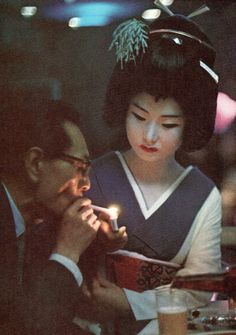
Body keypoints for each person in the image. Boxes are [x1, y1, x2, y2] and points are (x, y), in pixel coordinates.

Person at [83, 10, 222, 335]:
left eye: (168, 124)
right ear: (124, 109)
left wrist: (130, 302)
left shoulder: (203, 196)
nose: (150, 135)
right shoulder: (95, 175)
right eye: (139, 116)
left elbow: (200, 289)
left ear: (190, 125)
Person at [0, 94, 127, 335]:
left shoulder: (30, 223)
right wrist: (67, 251)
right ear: (36, 163)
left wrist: (96, 243)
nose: (87, 184)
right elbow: (30, 327)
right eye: (80, 167)